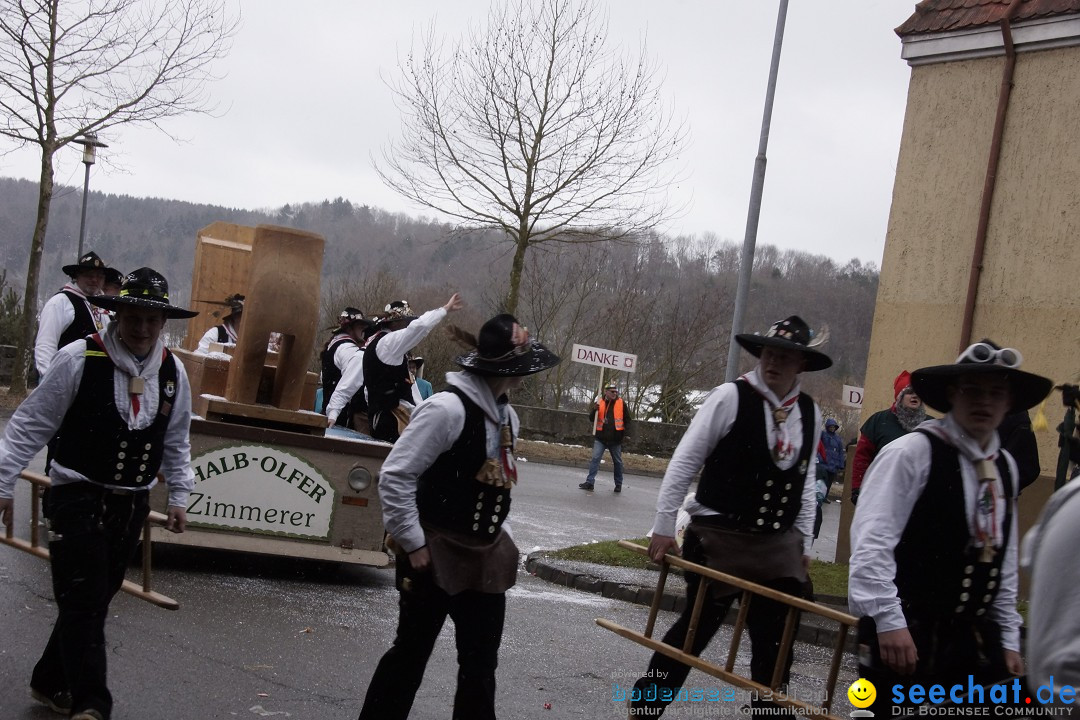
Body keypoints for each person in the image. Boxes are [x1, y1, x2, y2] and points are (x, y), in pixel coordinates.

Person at [0, 267, 197, 720]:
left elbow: (177, 438)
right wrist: (5, 482)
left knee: (90, 598)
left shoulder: (172, 371)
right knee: (85, 599)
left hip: (131, 504)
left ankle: (50, 682)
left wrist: (181, 495)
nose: (143, 328)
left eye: (152, 319)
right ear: (118, 313)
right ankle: (93, 704)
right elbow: (31, 424)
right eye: (134, 317)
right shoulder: (79, 358)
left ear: (163, 323)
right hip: (76, 495)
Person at [357, 314, 560, 720]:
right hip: (432, 554)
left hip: (484, 558)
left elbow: (493, 487)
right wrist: (413, 542)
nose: (526, 375)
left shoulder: (507, 417)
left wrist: (499, 537)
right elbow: (396, 475)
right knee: (409, 657)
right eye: (522, 367)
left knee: (481, 666)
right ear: (505, 368)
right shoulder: (445, 409)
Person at [629, 315, 830, 718]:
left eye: (785, 357)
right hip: (719, 534)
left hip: (777, 546)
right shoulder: (729, 397)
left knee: (776, 642)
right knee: (695, 631)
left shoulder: (810, 412)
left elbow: (805, 481)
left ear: (801, 365)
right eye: (769, 353)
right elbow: (684, 462)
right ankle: (645, 707)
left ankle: (768, 715)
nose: (773, 362)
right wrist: (665, 526)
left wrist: (804, 541)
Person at [848, 340, 1053, 716]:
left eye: (996, 393)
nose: (984, 402)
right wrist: (889, 621)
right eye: (972, 390)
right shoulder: (912, 453)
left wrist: (1008, 636)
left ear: (1008, 404)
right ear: (952, 396)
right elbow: (871, 543)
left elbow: (1001, 559)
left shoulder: (1004, 466)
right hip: (905, 629)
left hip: (970, 637)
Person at [364, 295, 463, 443]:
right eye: (406, 322)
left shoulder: (384, 346)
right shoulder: (388, 343)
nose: (408, 326)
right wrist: (444, 309)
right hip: (391, 421)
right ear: (396, 323)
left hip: (387, 418)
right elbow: (419, 328)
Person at [849, 370, 927, 504]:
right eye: (909, 392)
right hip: (881, 495)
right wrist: (857, 488)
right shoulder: (878, 421)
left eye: (918, 392)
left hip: (917, 500)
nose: (915, 396)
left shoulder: (929, 426)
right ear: (899, 396)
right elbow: (862, 458)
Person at [33, 250, 112, 379]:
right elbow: (46, 345)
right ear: (77, 276)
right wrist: (50, 380)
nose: (94, 280)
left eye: (99, 276)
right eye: (89, 275)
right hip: (65, 381)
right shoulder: (60, 303)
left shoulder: (103, 308)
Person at [322, 307, 376, 432]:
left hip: (330, 412)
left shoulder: (334, 344)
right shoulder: (347, 348)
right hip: (340, 418)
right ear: (349, 327)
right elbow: (352, 377)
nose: (364, 328)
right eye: (360, 325)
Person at [579, 381, 631, 492]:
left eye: (616, 392)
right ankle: (590, 482)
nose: (614, 394)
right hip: (601, 438)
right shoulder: (600, 402)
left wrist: (625, 435)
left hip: (615, 439)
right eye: (612, 392)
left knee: (617, 462)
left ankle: (618, 484)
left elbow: (628, 420)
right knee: (595, 459)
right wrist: (594, 410)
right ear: (606, 392)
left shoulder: (621, 403)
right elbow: (592, 419)